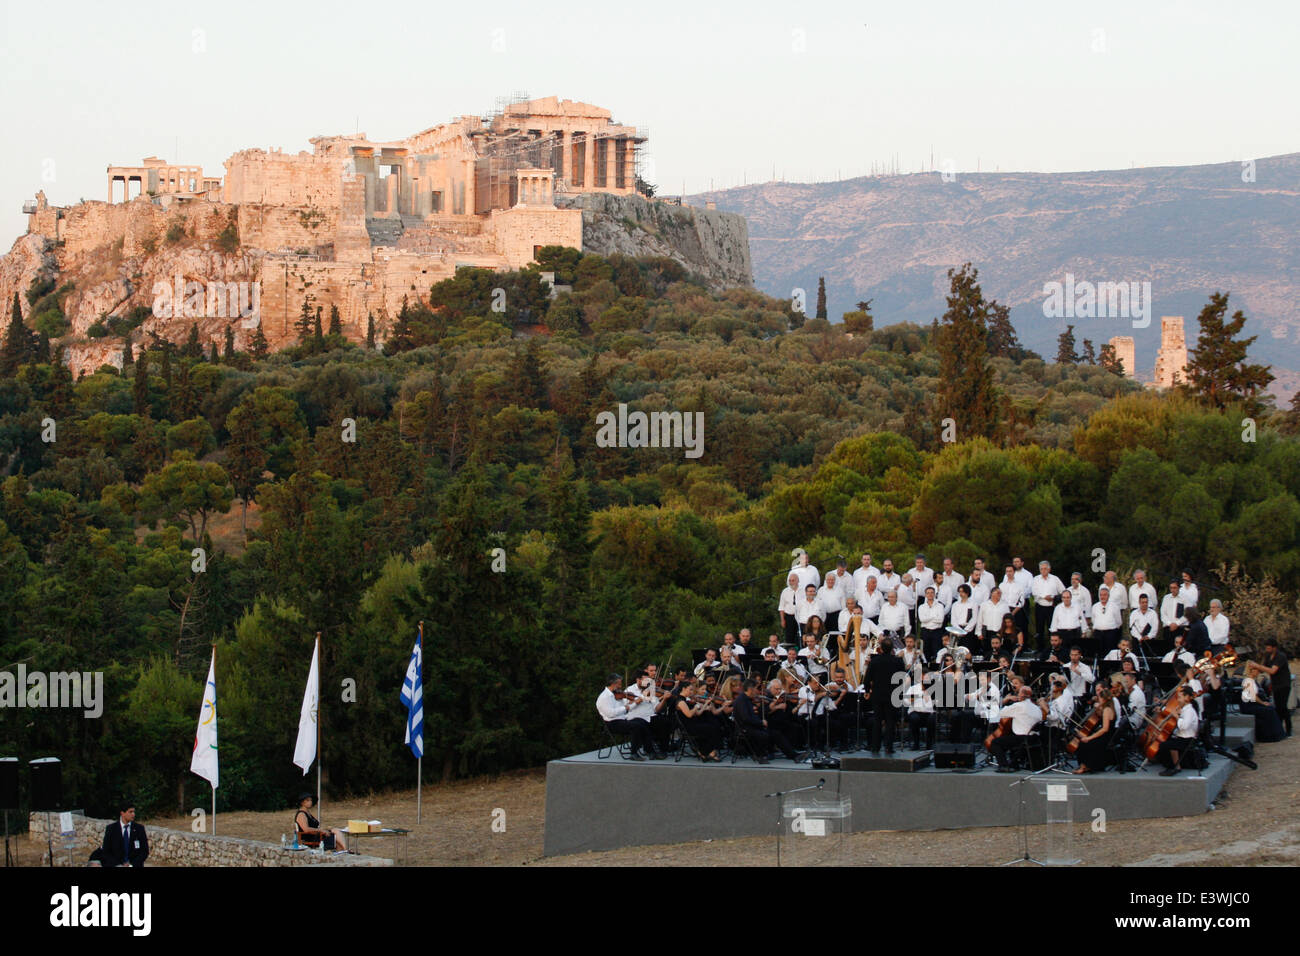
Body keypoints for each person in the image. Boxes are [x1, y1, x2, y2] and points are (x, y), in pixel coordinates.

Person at [733, 679, 798, 762]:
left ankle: (792, 755)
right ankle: (760, 755)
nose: (758, 691)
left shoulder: (747, 699)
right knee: (765, 734)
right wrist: (760, 722)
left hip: (751, 726)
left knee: (775, 733)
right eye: (756, 689)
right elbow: (746, 718)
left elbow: (751, 716)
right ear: (750, 689)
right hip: (745, 728)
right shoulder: (741, 700)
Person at [597, 674, 654, 760]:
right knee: (636, 726)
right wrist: (625, 707)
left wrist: (633, 703)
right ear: (613, 684)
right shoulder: (604, 697)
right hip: (612, 723)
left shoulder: (616, 695)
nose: (621, 686)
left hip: (622, 719)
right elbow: (610, 713)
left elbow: (626, 707)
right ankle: (633, 753)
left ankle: (649, 750)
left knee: (642, 722)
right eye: (619, 684)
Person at [865, 639, 905, 754]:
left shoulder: (875, 661)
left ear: (880, 648)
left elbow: (867, 678)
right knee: (890, 721)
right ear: (892, 648)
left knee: (877, 721)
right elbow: (901, 677)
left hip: (877, 694)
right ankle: (889, 747)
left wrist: (867, 690)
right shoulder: (898, 661)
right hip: (892, 694)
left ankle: (875, 746)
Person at [992, 686, 1042, 771]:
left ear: (1022, 695)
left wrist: (1006, 700)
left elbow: (998, 713)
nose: (1017, 695)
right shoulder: (1037, 708)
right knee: (1009, 738)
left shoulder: (1018, 706)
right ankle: (1014, 763)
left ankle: (1004, 766)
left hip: (1023, 738)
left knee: (995, 742)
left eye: (1018, 693)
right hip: (1035, 738)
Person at [1250, 638, 1292, 737]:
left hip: (1284, 684)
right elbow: (1264, 668)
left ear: (1274, 647)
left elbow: (1273, 671)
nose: (1267, 649)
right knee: (1278, 707)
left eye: (1269, 648)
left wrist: (1258, 666)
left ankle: (1288, 729)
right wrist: (1253, 670)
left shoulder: (1280, 657)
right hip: (1275, 685)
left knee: (1283, 707)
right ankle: (1279, 729)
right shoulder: (1268, 656)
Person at [1070, 686, 1115, 774]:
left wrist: (1089, 738)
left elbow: (1104, 729)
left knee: (1084, 743)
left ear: (1104, 699)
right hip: (1105, 735)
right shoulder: (1108, 709)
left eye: (1100, 699)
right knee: (1083, 739)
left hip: (1105, 737)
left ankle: (1084, 766)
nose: (1099, 701)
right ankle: (1086, 765)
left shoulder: (1107, 710)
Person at [1157, 687, 1200, 776]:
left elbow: (1184, 726)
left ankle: (1172, 767)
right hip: (1181, 737)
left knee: (1163, 746)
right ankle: (1176, 766)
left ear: (1187, 697)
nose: (1178, 700)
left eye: (1180, 697)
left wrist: (1177, 716)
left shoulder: (1190, 711)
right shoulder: (1185, 709)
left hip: (1187, 739)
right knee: (1167, 741)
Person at [675, 681, 723, 761]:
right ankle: (707, 752)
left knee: (714, 726)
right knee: (712, 728)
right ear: (683, 689)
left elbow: (698, 713)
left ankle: (704, 752)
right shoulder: (680, 701)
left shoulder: (686, 701)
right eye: (690, 690)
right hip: (689, 727)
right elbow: (689, 714)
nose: (691, 692)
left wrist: (705, 704)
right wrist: (696, 706)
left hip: (694, 724)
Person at [100, 801, 149, 867]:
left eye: (134, 812)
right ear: (122, 813)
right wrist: (118, 865)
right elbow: (106, 852)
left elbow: (144, 851)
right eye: (130, 812)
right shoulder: (111, 829)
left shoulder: (139, 829)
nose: (133, 814)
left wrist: (131, 865)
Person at [1030, 561, 1065, 646]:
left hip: (1052, 607)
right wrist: (1044, 597)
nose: (1043, 570)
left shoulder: (1055, 579)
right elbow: (1034, 592)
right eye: (1041, 569)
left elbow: (1063, 591)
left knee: (1052, 628)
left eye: (1045, 568)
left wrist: (1053, 597)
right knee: (1039, 629)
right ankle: (1040, 649)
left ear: (1049, 569)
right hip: (1040, 607)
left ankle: (1052, 648)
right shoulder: (1036, 579)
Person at [1091, 586, 1124, 654]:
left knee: (1111, 653)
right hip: (1098, 634)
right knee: (1099, 654)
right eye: (1101, 595)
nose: (1102, 597)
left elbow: (1119, 622)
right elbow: (1093, 620)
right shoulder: (1095, 606)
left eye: (1105, 595)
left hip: (1111, 634)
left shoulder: (1114, 606)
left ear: (1108, 596)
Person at [917, 586, 946, 660]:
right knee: (925, 653)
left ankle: (936, 670)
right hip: (925, 632)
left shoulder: (940, 606)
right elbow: (922, 619)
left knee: (937, 653)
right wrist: (934, 617)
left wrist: (928, 618)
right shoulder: (921, 607)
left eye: (932, 593)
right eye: (928, 593)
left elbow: (940, 620)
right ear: (925, 595)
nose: (930, 594)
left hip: (937, 632)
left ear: (935, 594)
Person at [778, 573, 802, 645]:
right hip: (789, 617)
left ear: (798, 581)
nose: (791, 582)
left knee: (800, 637)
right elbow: (781, 607)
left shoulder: (803, 591)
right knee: (789, 638)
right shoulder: (785, 591)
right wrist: (782, 620)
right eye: (790, 581)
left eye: (793, 580)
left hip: (801, 617)